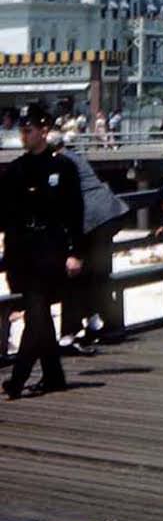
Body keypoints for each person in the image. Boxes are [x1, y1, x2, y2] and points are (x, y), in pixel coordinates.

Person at [0, 102, 84, 398]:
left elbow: (75, 213)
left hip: (51, 249)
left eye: (29, 130)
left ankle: (17, 378)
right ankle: (53, 375)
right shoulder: (16, 170)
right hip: (23, 252)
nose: (24, 135)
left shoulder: (63, 167)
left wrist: (75, 252)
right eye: (21, 130)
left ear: (44, 130)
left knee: (36, 313)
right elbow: (6, 216)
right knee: (40, 314)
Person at [52, 131, 127, 353]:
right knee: (97, 274)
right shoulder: (74, 156)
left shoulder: (60, 161)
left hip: (94, 218)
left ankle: (76, 331)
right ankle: (102, 324)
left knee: (83, 275)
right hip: (108, 213)